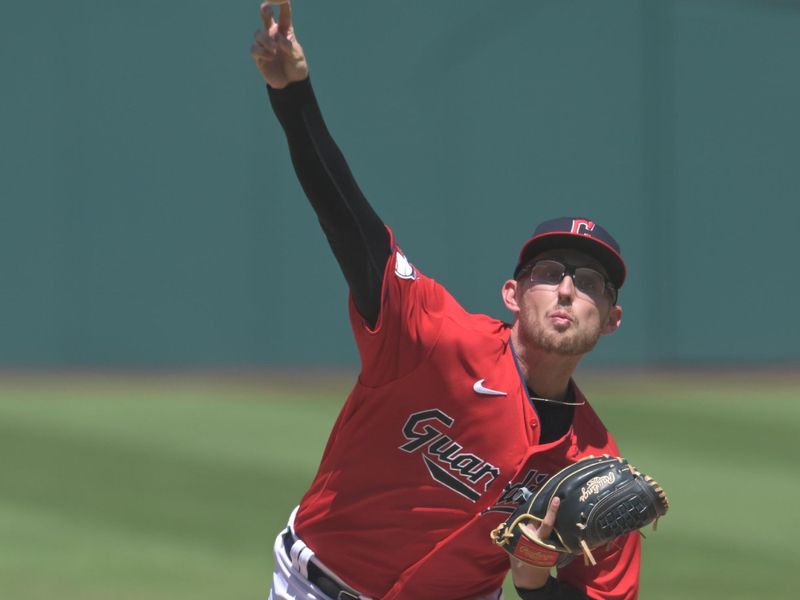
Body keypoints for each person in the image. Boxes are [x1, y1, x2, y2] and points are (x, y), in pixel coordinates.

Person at [251, 2, 640, 598]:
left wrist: (535, 582)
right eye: (550, 272)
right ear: (511, 293)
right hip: (317, 586)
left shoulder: (591, 464)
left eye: (590, 283)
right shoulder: (434, 338)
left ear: (610, 320)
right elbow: (350, 223)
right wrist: (293, 96)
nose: (567, 288)